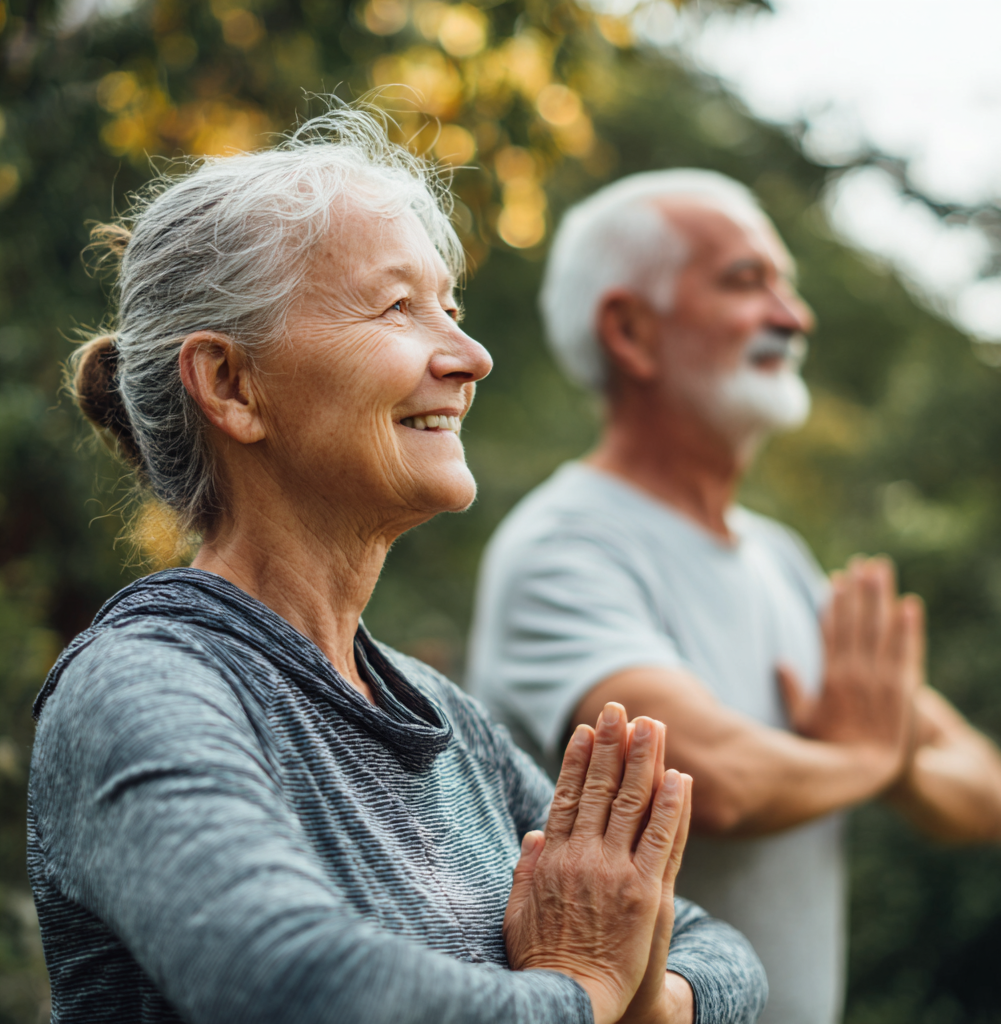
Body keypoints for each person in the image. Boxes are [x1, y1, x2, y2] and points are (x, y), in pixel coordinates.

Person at [27, 112, 769, 1024]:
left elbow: (722, 953)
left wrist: (645, 1001)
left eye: (449, 311)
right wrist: (580, 989)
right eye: (397, 308)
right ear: (228, 384)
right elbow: (301, 987)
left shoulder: (445, 721)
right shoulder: (143, 686)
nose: (471, 357)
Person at [467, 169, 1001, 1024]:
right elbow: (715, 779)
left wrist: (889, 752)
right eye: (745, 281)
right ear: (630, 331)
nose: (794, 319)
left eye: (788, 287)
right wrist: (874, 758)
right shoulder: (565, 546)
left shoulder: (783, 559)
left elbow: (987, 799)